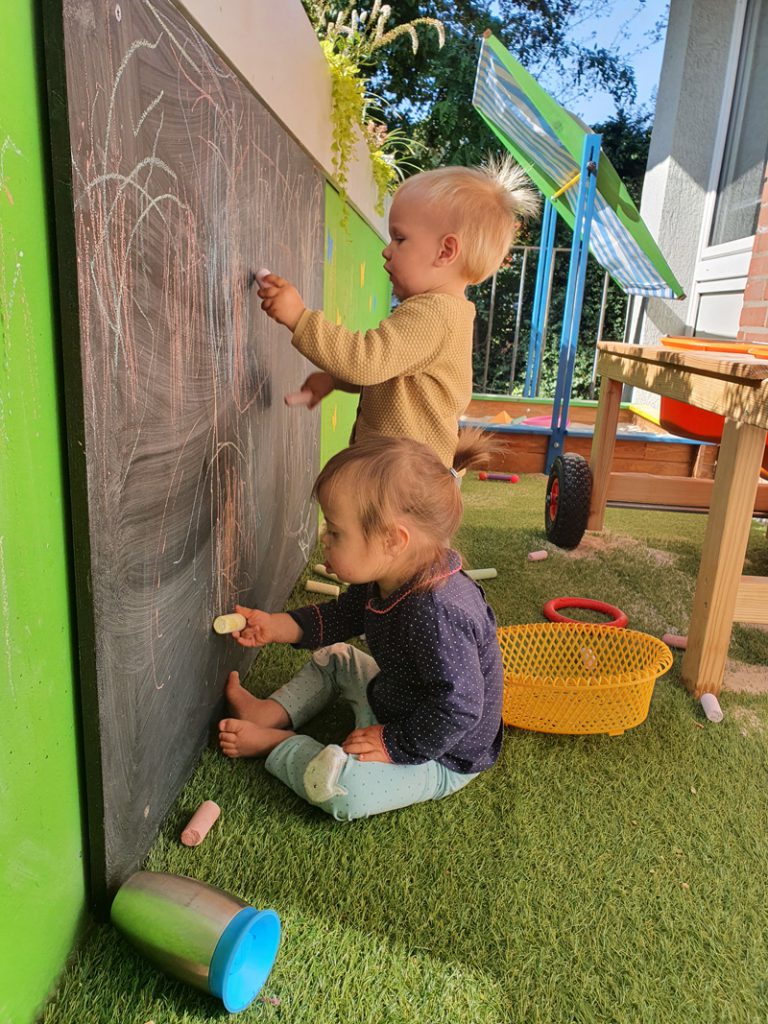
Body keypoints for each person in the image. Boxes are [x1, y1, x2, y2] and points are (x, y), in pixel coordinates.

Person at [218, 433, 505, 822]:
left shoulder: (438, 611)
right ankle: (269, 712)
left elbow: (460, 708)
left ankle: (277, 743)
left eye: (335, 532)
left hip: (442, 750)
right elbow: (341, 618)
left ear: (392, 540)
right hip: (397, 698)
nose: (325, 539)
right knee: (338, 659)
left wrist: (394, 743)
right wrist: (274, 626)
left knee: (345, 792)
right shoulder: (389, 575)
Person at [258, 155, 538, 466]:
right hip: (404, 475)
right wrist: (334, 380)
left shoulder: (433, 315)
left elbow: (366, 360)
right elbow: (394, 374)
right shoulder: (443, 312)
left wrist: (299, 317)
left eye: (400, 238)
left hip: (404, 480)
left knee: (340, 499)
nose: (386, 249)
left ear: (445, 251)